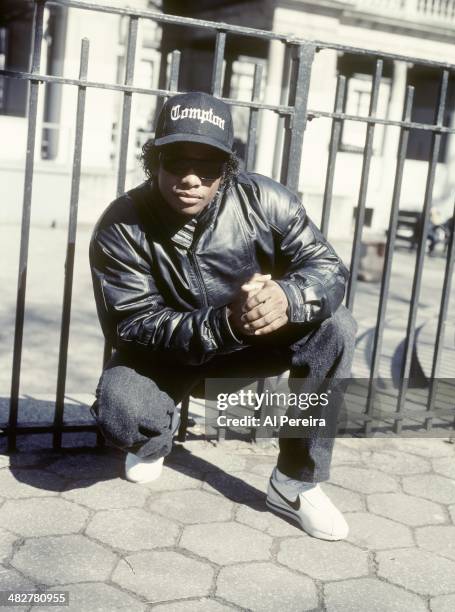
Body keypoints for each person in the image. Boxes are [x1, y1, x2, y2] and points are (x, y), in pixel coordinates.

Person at [89, 91, 358, 541]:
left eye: (208, 166)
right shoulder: (122, 223)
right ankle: (157, 435)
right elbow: (131, 325)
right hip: (165, 356)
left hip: (250, 345)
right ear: (153, 160)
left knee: (337, 326)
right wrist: (223, 323)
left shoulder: (264, 200)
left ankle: (295, 483)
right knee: (121, 411)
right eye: (176, 161)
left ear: (227, 169)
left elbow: (328, 268)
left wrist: (289, 297)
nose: (190, 178)